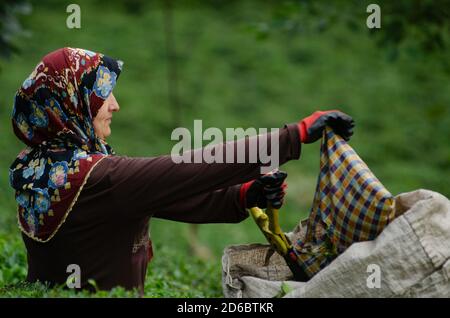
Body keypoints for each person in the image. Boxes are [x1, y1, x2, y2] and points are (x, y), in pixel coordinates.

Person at [9, 47, 354, 294]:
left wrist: (245, 195)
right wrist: (296, 135)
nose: (115, 104)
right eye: (102, 95)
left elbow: (164, 199)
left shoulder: (39, 168)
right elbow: (187, 170)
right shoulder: (99, 177)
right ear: (71, 103)